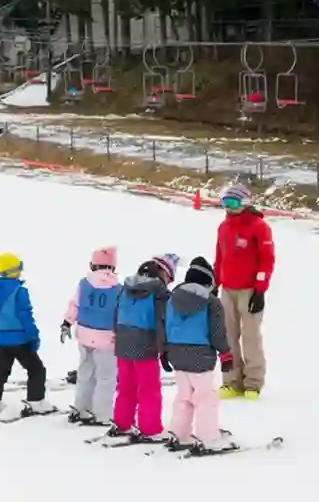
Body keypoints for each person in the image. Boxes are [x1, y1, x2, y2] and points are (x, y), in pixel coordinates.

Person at [106, 254, 177, 443]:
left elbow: (116, 312)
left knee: (126, 386)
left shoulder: (126, 287)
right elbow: (162, 322)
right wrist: (165, 349)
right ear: (163, 273)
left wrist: (117, 333)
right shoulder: (160, 292)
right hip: (146, 341)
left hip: (123, 338)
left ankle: (122, 422)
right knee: (148, 388)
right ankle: (150, 428)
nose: (169, 283)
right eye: (170, 278)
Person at [165, 257, 234, 452]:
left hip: (176, 353)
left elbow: (165, 324)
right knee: (205, 398)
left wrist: (165, 349)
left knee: (184, 396)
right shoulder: (211, 302)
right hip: (200, 354)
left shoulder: (173, 298)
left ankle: (179, 433)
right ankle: (208, 438)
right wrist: (225, 353)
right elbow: (217, 331)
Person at [214, 183, 274, 400]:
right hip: (227, 289)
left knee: (250, 337)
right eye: (225, 202)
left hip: (249, 290)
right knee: (227, 337)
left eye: (233, 202)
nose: (228, 207)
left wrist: (260, 289)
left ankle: (253, 382)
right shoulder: (223, 227)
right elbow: (219, 258)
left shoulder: (259, 226)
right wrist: (215, 282)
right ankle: (231, 381)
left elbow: (266, 260)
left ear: (245, 202)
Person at [0, 253, 53, 419]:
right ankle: (36, 401)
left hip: (2, 338)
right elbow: (25, 316)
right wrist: (33, 336)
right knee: (36, 369)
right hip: (20, 339)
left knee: (1, 368)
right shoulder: (20, 291)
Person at [60, 247, 121, 427]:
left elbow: (74, 305)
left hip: (85, 334)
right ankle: (102, 414)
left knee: (85, 373)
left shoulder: (83, 284)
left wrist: (66, 323)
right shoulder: (118, 289)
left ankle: (81, 408)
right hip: (106, 337)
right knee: (106, 377)